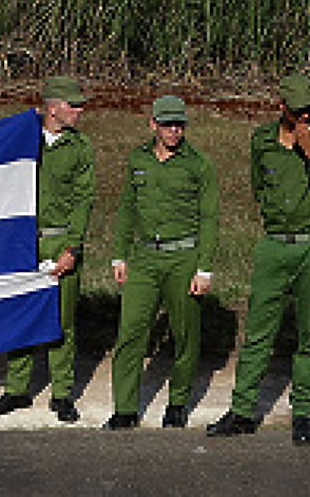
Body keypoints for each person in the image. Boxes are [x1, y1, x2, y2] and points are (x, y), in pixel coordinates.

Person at [205, 72, 310, 445]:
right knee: (258, 333)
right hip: (274, 246)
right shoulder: (262, 141)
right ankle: (243, 411)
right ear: (280, 106)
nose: (305, 118)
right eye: (297, 111)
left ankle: (302, 413)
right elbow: (258, 187)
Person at [0, 74, 96, 423]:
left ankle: (62, 394)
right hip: (22, 243)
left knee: (61, 323)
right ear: (52, 107)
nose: (79, 110)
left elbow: (83, 201)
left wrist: (72, 248)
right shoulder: (19, 140)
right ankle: (17, 389)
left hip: (60, 239)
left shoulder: (80, 149)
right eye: (72, 104)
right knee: (20, 317)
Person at [104, 94, 217, 431]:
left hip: (183, 257)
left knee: (185, 335)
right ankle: (125, 408)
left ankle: (178, 403)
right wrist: (119, 254)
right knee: (130, 333)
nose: (174, 130)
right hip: (144, 258)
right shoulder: (137, 158)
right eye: (167, 124)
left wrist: (204, 268)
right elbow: (127, 208)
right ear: (152, 124)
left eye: (179, 124)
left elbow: (209, 218)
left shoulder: (199, 164)